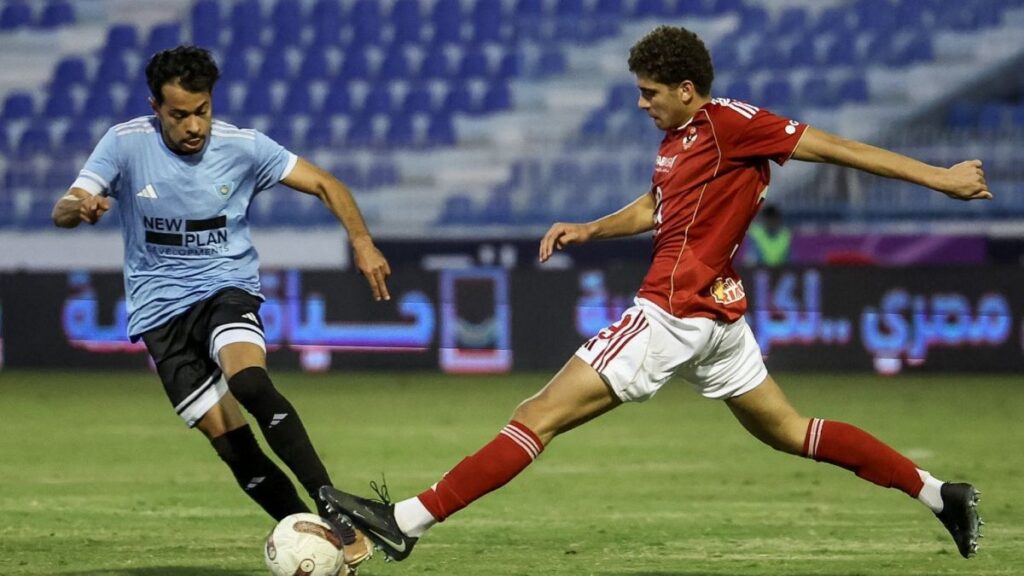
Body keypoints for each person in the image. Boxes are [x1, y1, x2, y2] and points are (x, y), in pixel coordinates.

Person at [321, 25, 988, 563]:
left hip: (673, 312)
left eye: (650, 93)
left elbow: (836, 148)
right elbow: (655, 207)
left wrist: (941, 178)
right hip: (718, 317)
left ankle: (406, 521)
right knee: (791, 431)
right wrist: (591, 228)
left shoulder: (732, 124)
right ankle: (940, 494)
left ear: (687, 89)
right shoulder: (679, 140)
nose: (641, 104)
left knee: (536, 415)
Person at [52, 46, 387, 572]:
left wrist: (362, 242)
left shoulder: (244, 146)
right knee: (232, 446)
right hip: (160, 313)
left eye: (202, 111)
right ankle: (319, 541)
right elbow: (63, 208)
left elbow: (328, 184)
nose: (193, 126)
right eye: (179, 114)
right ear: (155, 108)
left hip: (225, 288)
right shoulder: (124, 143)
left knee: (249, 382)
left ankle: (334, 510)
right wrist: (82, 206)